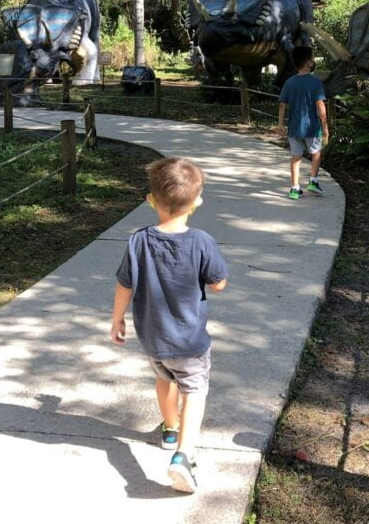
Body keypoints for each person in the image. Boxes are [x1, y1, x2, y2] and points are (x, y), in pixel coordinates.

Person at [110, 157, 228, 494]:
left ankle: (170, 429)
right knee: (194, 390)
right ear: (197, 202)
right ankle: (183, 456)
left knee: (164, 378)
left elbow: (124, 285)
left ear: (150, 200)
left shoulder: (138, 240)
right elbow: (218, 283)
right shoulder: (202, 241)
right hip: (189, 341)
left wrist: (117, 319)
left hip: (153, 339)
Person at [277, 46, 329, 200]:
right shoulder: (315, 82)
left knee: (295, 157)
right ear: (308, 62)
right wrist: (325, 126)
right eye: (312, 59)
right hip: (312, 127)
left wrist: (280, 124)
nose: (313, 61)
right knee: (316, 152)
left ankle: (294, 188)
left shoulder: (289, 82)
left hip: (294, 127)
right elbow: (320, 106)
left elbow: (282, 104)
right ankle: (313, 180)